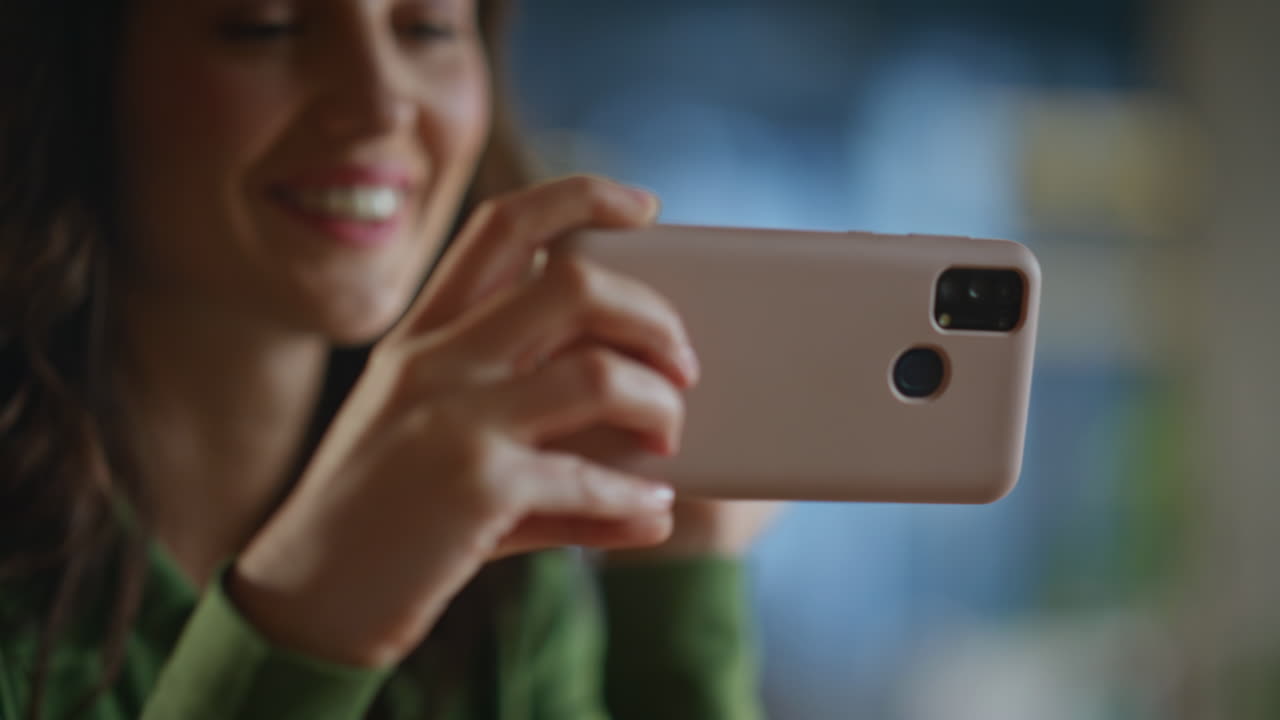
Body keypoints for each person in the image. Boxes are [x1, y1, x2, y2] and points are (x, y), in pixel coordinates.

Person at [0, 1, 782, 718]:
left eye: (426, 29)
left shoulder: (491, 550)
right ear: (80, 73)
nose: (380, 104)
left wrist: (681, 580)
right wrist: (306, 622)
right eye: (266, 26)